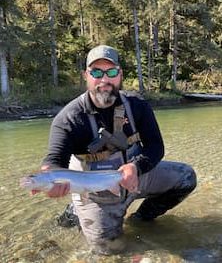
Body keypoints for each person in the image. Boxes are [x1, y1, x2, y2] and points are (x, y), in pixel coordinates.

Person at [33, 45, 197, 255]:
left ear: (120, 75)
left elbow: (156, 147)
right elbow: (55, 159)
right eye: (96, 73)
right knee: (110, 251)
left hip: (135, 177)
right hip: (95, 193)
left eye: (111, 72)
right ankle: (78, 209)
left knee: (186, 177)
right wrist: (49, 176)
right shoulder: (68, 119)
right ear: (86, 76)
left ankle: (140, 220)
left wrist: (136, 167)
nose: (104, 80)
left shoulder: (138, 105)